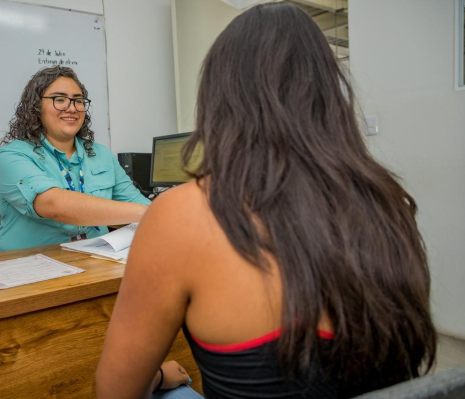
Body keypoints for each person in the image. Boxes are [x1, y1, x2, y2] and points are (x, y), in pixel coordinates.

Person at [96, 3, 437, 399]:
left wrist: (157, 377)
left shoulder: (182, 213)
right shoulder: (388, 201)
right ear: (329, 93)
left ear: (219, 98)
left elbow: (115, 392)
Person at [0, 66, 150, 252]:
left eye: (78, 101)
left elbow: (136, 203)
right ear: (36, 106)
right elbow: (54, 204)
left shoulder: (101, 155)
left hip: (93, 257)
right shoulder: (13, 155)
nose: (72, 108)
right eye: (59, 99)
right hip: (27, 263)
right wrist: (147, 213)